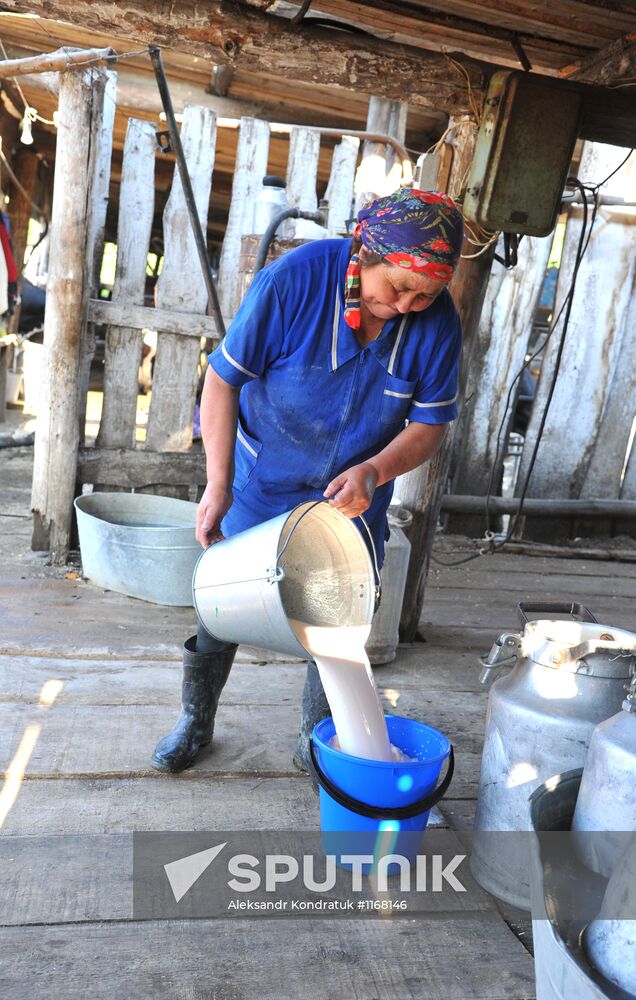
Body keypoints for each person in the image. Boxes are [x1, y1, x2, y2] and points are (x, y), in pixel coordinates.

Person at [151, 188, 464, 774]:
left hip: (350, 500)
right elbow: (221, 383)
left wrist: (375, 470)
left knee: (334, 623)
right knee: (220, 604)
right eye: (397, 288)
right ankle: (195, 722)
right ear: (365, 250)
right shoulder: (293, 282)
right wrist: (217, 484)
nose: (407, 307)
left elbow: (428, 426)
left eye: (425, 295)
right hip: (264, 481)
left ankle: (314, 741)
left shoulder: (436, 322)